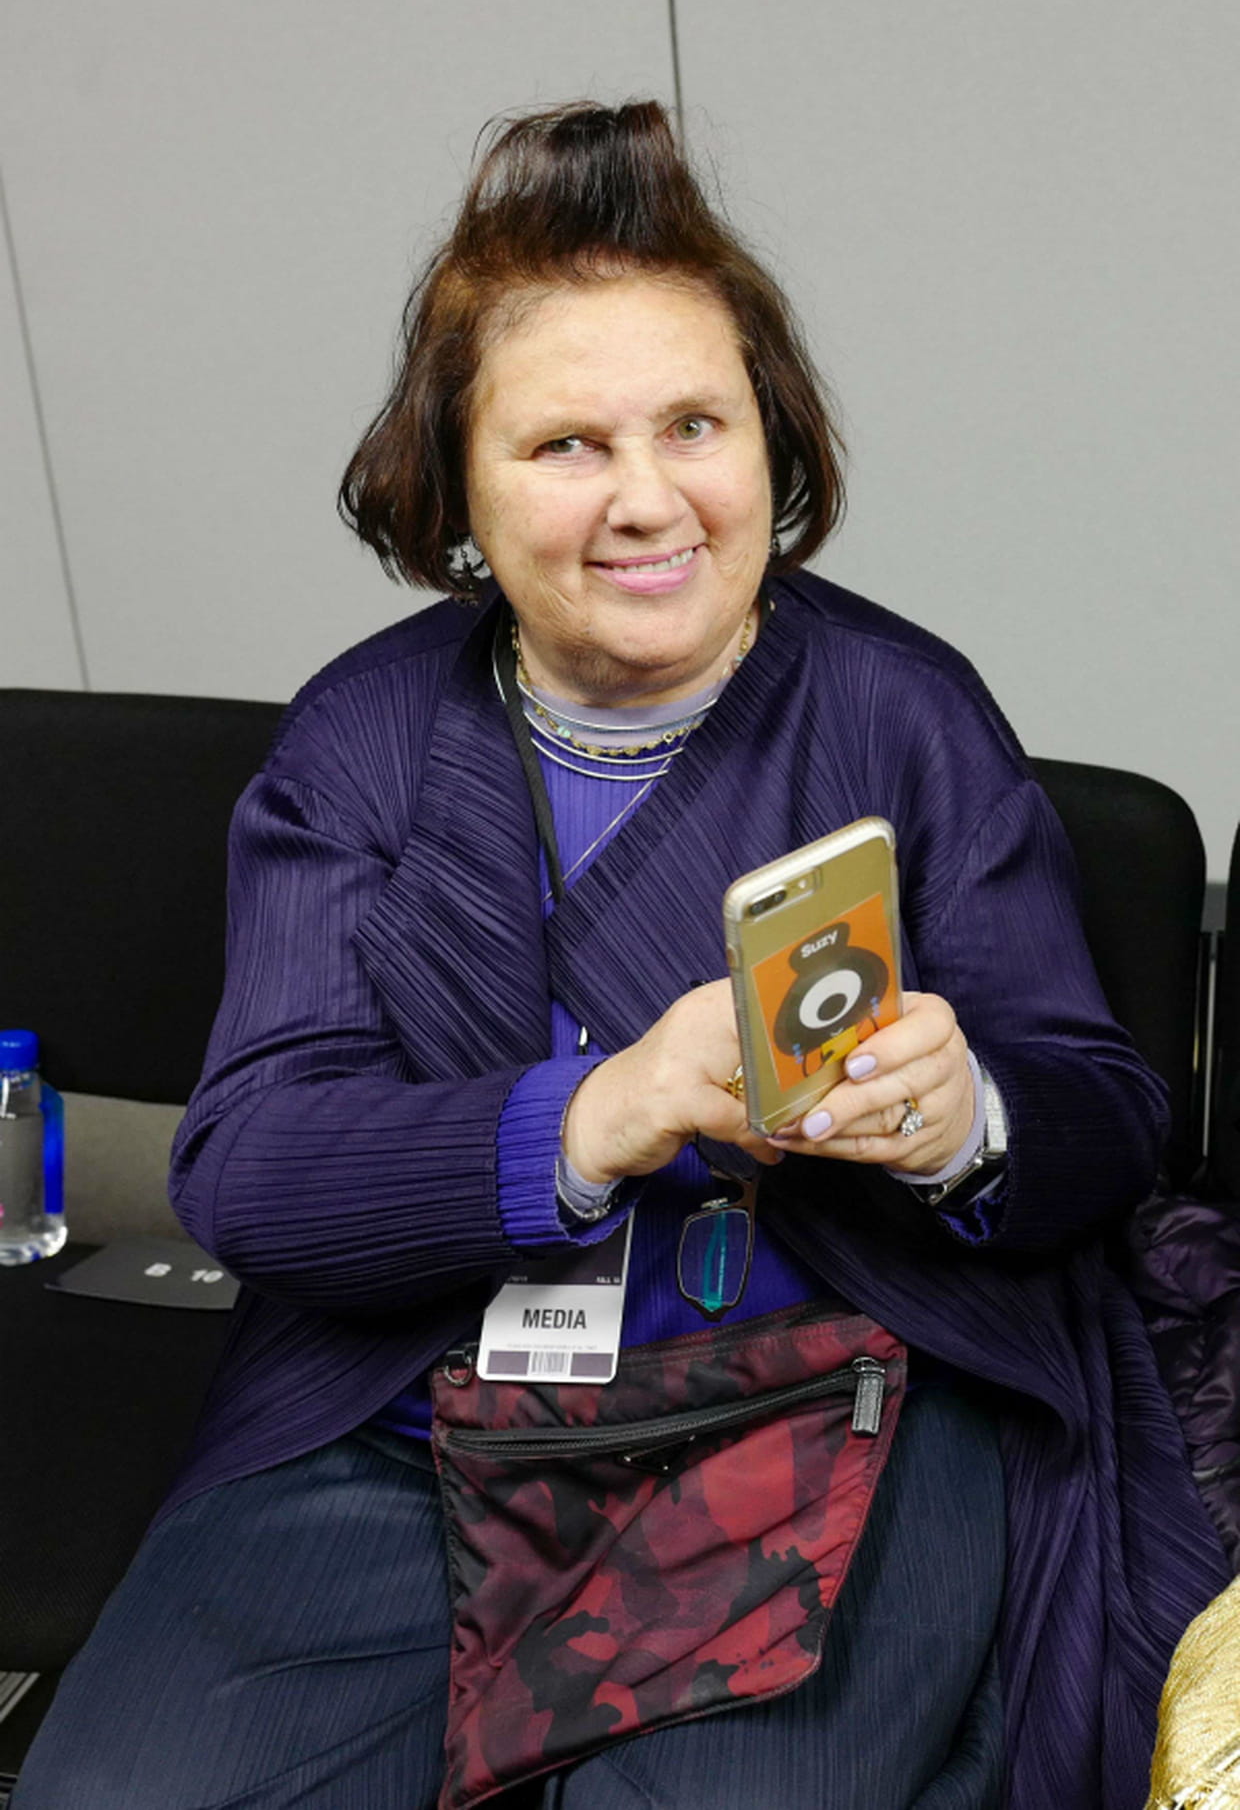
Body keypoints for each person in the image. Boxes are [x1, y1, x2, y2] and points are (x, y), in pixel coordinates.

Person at [13, 101, 1227, 1810]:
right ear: (458, 485)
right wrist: (593, 1118)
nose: (648, 501)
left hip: (840, 1410)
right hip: (421, 1419)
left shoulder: (901, 712)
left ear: (769, 441)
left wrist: (971, 1121)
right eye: (567, 444)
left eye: (694, 426)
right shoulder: (362, 741)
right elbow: (251, 1173)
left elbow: (1103, 1123)